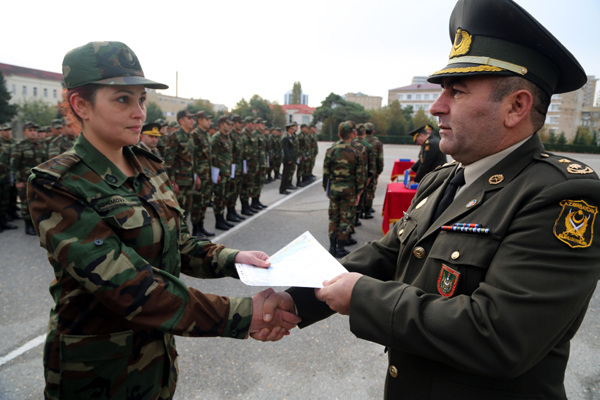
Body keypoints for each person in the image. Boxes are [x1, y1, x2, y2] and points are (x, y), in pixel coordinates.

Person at [258, 0, 600, 398]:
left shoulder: (562, 194)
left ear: (516, 107)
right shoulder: (443, 179)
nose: (437, 107)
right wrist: (295, 298)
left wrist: (361, 296)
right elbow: (387, 255)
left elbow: (501, 336)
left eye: (457, 92)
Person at [27, 41, 299, 400]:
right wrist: (241, 314)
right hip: (98, 370)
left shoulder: (147, 163)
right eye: (123, 99)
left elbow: (179, 243)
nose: (139, 111)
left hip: (156, 357)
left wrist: (233, 260)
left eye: (141, 99)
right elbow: (127, 286)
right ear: (81, 105)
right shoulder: (56, 184)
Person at [323, 121, 364, 257]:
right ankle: (340, 248)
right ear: (352, 135)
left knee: (333, 217)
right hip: (350, 191)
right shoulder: (357, 152)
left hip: (334, 190)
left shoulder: (331, 150)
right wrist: (359, 192)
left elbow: (326, 174)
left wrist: (327, 190)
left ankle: (332, 247)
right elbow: (360, 175)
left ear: (339, 134)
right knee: (345, 218)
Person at [10, 121, 45, 235]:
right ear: (24, 133)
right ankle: (28, 226)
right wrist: (17, 180)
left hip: (38, 180)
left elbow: (45, 162)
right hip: (24, 180)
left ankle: (38, 224)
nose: (33, 132)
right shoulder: (19, 146)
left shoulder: (41, 145)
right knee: (26, 203)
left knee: (39, 202)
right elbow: (14, 164)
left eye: (34, 130)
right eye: (30, 130)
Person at [163, 109, 195, 218]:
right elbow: (168, 162)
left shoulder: (190, 137)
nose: (192, 121)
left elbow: (191, 159)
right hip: (179, 182)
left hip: (189, 180)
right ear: (181, 121)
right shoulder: (174, 136)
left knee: (187, 209)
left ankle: (185, 234)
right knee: (178, 212)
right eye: (189, 118)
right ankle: (178, 235)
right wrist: (172, 182)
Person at [189, 110, 215, 237]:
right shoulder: (195, 135)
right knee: (197, 203)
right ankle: (195, 230)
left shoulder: (206, 135)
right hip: (199, 175)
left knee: (204, 202)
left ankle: (201, 227)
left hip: (207, 174)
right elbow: (192, 157)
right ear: (200, 121)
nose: (209, 121)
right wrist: (195, 176)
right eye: (207, 119)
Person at [212, 115, 235, 230]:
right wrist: (217, 174)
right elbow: (213, 156)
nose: (230, 126)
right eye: (227, 124)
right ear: (221, 125)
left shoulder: (227, 137)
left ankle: (223, 219)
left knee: (225, 196)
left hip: (227, 171)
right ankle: (218, 221)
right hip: (220, 173)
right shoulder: (216, 138)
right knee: (219, 197)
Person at [0, 123, 18, 232]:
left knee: (5, 200)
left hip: (8, 175)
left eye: (9, 130)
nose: (8, 132)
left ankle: (3, 221)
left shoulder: (15, 143)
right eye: (5, 130)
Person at [279, 122, 297, 194]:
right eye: (293, 129)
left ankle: (285, 188)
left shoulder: (290, 137)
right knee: (285, 175)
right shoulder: (285, 138)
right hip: (287, 160)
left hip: (291, 158)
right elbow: (285, 150)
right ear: (289, 129)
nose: (294, 130)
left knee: (287, 174)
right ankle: (282, 189)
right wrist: (289, 159)